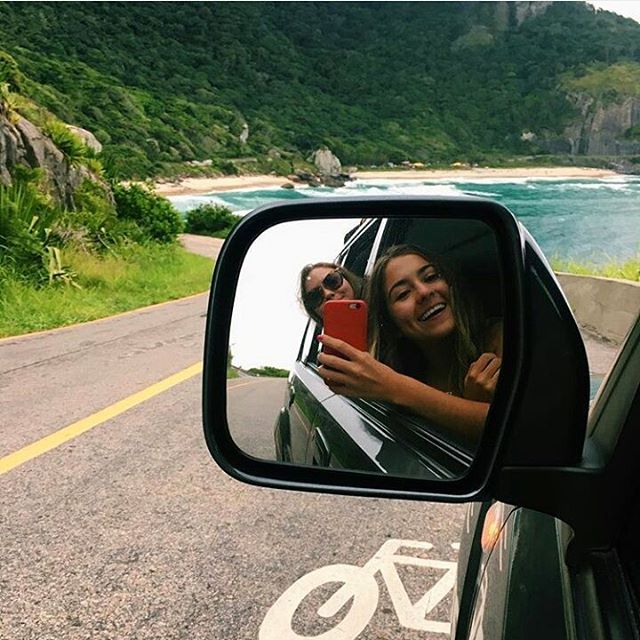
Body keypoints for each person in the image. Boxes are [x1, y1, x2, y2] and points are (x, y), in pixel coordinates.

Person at [316, 244, 502, 447]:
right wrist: (471, 406)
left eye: (431, 277)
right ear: (392, 326)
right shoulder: (401, 370)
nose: (424, 292)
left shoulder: (499, 338)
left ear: (450, 285)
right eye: (403, 294)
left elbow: (524, 429)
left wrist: (391, 386)